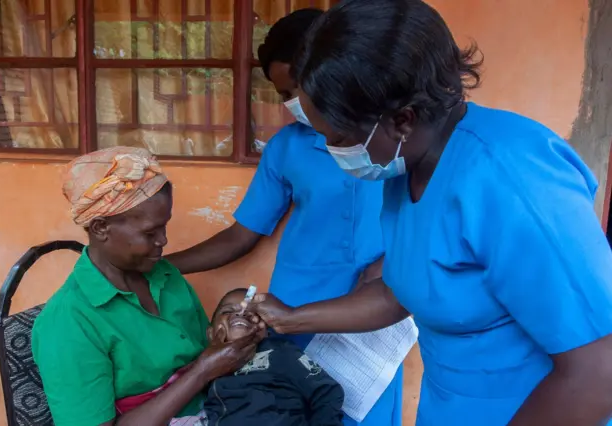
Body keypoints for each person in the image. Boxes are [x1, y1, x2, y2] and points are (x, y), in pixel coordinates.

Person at [240, 0, 612, 425]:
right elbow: (397, 291)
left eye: (340, 137)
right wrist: (289, 318)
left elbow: (598, 371)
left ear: (402, 120)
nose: (333, 152)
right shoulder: (404, 171)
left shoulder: (511, 176)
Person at [166, 8, 404, 426]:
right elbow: (242, 235)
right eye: (282, 95)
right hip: (294, 308)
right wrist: (163, 266)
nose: (293, 104)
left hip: (375, 307)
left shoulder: (393, 135)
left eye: (295, 88)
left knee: (366, 414)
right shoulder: (287, 146)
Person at [32, 147, 262, 426]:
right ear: (101, 228)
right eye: (150, 233)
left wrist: (233, 339)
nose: (163, 241)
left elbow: (203, 350)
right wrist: (202, 371)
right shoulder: (68, 323)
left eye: (165, 227)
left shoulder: (165, 276)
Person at [202, 288, 344, 426]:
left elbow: (326, 391)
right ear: (210, 333)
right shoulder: (205, 366)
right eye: (227, 311)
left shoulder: (279, 351)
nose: (241, 313)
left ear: (266, 332)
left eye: (253, 315)